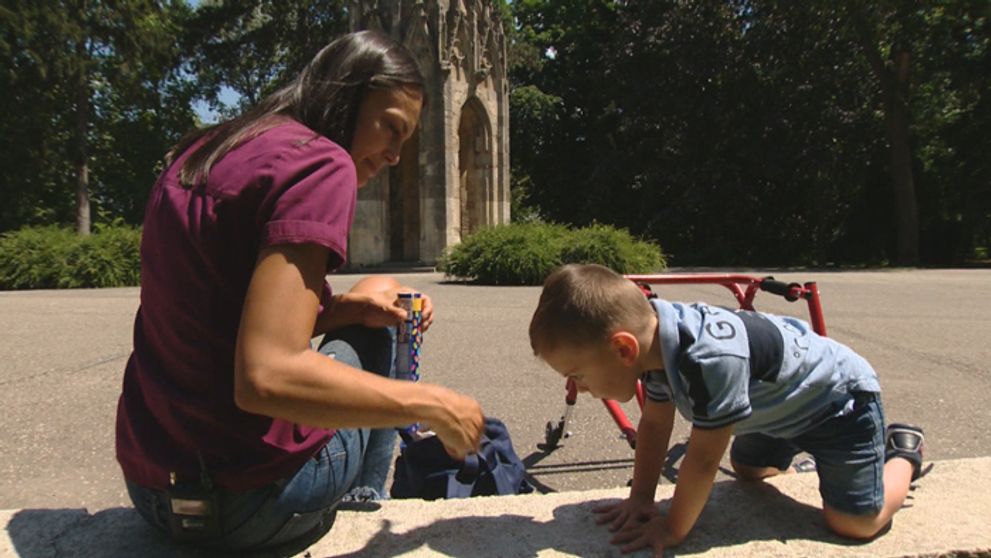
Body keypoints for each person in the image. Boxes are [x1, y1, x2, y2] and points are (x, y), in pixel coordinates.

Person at [115, 30, 485, 553]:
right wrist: (434, 404)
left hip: (152, 489)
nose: (396, 155)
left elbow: (212, 314)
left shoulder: (207, 147)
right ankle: (363, 503)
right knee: (380, 317)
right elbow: (265, 377)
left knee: (371, 301)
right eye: (391, 129)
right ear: (348, 96)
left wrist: (338, 310)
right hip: (254, 504)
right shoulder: (321, 163)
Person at [529, 264, 925, 556]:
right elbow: (654, 423)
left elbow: (701, 462)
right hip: (772, 408)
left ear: (622, 349)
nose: (578, 387)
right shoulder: (652, 340)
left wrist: (671, 530)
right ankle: (814, 458)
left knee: (853, 523)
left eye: (578, 374)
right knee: (750, 471)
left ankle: (903, 451)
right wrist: (642, 499)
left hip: (838, 406)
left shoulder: (708, 360)